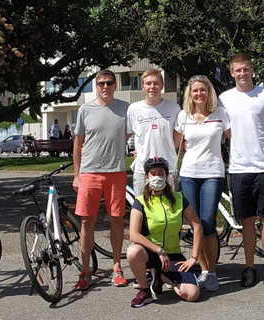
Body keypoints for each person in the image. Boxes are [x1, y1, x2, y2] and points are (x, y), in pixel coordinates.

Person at [218, 53, 264, 288]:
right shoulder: (224, 98)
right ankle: (249, 267)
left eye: (246, 69)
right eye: (238, 70)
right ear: (231, 72)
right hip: (238, 169)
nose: (242, 73)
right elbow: (222, 131)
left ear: (252, 70)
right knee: (246, 221)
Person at [73, 69, 129, 290]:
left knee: (116, 220)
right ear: (96, 86)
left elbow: (134, 132)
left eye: (110, 83)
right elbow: (78, 143)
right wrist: (77, 174)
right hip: (90, 172)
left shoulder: (126, 108)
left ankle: (117, 268)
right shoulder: (85, 109)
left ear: (116, 85)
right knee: (87, 222)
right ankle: (85, 271)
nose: (106, 87)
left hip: (116, 172)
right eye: (102, 83)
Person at [175, 75, 230, 292]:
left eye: (203, 90)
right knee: (195, 224)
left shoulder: (221, 114)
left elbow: (233, 137)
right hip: (188, 174)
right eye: (195, 90)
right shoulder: (184, 116)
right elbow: (175, 145)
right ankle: (204, 271)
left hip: (213, 174)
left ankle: (213, 273)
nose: (199, 94)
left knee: (208, 223)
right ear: (190, 93)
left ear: (209, 92)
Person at [127, 157, 203, 308]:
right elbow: (134, 235)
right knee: (132, 251)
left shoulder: (179, 198)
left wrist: (193, 258)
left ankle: (160, 276)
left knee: (192, 294)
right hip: (150, 253)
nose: (157, 176)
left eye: (160, 173)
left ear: (167, 176)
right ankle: (145, 290)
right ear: (147, 177)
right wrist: (159, 251)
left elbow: (198, 226)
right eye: (152, 173)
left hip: (173, 254)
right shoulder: (141, 201)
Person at [126, 69, 181, 197]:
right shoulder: (133, 109)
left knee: (170, 210)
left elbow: (176, 139)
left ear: (162, 86)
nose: (152, 87)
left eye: (156, 83)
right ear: (142, 87)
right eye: (148, 83)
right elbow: (126, 135)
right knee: (142, 210)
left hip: (168, 169)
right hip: (142, 170)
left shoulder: (174, 108)